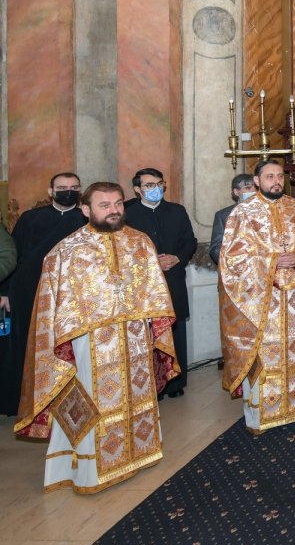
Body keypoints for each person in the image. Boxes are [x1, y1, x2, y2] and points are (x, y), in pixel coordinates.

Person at [15, 182, 178, 493]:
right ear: (86, 210)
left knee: (137, 395)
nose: (114, 210)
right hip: (89, 343)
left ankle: (138, 454)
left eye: (117, 203)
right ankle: (89, 469)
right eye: (104, 205)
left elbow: (155, 293)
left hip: (134, 338)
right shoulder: (66, 251)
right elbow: (52, 311)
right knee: (93, 401)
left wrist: (150, 323)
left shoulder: (140, 243)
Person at [219, 160, 295, 434]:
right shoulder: (242, 213)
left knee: (294, 353)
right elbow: (232, 260)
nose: (276, 181)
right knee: (264, 357)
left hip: (294, 300)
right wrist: (271, 261)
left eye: (279, 176)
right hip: (260, 303)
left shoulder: (294, 207)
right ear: (257, 181)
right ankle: (260, 417)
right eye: (269, 176)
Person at [0, 172, 87, 415]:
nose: (67, 191)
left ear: (80, 190)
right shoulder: (30, 218)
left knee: (66, 349)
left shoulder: (86, 220)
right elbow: (13, 256)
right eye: (62, 187)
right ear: (50, 192)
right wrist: (6, 293)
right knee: (26, 348)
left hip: (71, 297)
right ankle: (24, 402)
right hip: (28, 292)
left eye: (73, 187)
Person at [123, 167, 197, 399]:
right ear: (137, 189)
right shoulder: (126, 212)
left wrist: (177, 257)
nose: (156, 189)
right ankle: (150, 386)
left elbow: (189, 241)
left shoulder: (177, 210)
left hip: (172, 280)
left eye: (159, 184)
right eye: (149, 185)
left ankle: (175, 383)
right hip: (142, 285)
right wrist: (152, 262)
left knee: (174, 332)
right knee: (146, 335)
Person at [210, 174, 257, 263]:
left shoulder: (268, 211)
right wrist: (231, 263)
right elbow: (215, 248)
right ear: (236, 192)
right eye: (248, 188)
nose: (254, 191)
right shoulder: (223, 215)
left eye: (256, 188)